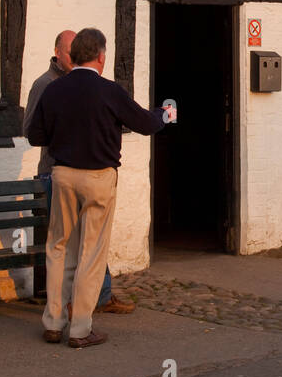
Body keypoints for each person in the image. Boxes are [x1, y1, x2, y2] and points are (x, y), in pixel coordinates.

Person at [26, 27, 171, 348]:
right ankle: (80, 329)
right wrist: (163, 114)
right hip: (98, 177)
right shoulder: (110, 91)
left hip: (62, 174)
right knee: (91, 253)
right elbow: (146, 124)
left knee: (58, 247)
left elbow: (35, 136)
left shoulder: (53, 90)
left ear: (72, 55)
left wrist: (63, 133)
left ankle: (53, 322)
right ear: (101, 57)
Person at [23, 29, 134, 314]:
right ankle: (70, 307)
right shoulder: (45, 84)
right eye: (70, 51)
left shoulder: (84, 86)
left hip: (77, 171)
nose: (75, 56)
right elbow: (31, 131)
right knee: (70, 245)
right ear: (58, 52)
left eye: (78, 51)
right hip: (54, 172)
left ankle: (99, 296)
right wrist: (68, 136)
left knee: (90, 240)